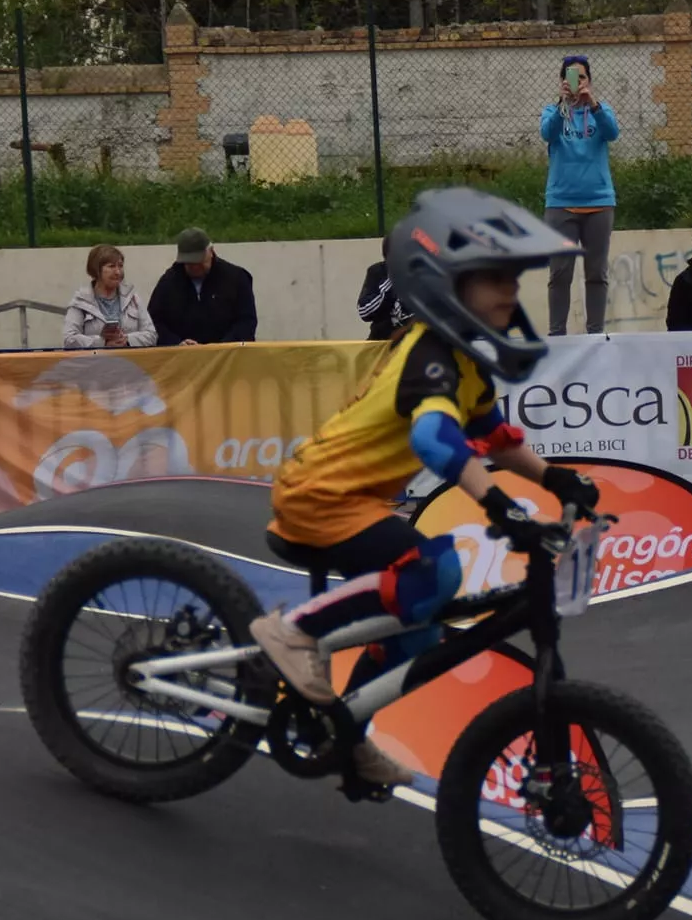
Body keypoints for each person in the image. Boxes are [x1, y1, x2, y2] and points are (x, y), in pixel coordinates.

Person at [253, 188, 600, 790]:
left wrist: (555, 478)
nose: (511, 291)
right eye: (495, 278)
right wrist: (498, 505)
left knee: (419, 626)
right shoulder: (429, 353)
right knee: (432, 567)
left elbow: (491, 432)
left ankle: (345, 735)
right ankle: (293, 630)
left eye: (514, 278)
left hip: (356, 500)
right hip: (320, 495)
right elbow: (438, 442)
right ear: (446, 285)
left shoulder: (464, 359)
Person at [540, 54, 619, 336]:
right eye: (571, 77)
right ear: (562, 81)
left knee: (596, 274)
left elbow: (612, 133)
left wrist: (593, 104)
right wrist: (563, 103)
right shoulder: (552, 111)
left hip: (599, 203)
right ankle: (557, 333)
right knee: (560, 274)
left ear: (589, 81)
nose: (577, 83)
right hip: (562, 204)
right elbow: (547, 134)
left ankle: (595, 333)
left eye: (581, 77)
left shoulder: (602, 111)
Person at [148, 227, 258, 345]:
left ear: (211, 251)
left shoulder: (237, 278)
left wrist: (221, 347)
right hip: (182, 357)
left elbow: (247, 321)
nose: (195, 267)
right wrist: (176, 343)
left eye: (199, 262)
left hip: (227, 357)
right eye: (189, 263)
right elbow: (153, 323)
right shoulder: (168, 282)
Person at [62, 245, 157, 349]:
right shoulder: (81, 301)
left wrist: (127, 339)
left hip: (129, 363)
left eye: (120, 266)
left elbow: (152, 335)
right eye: (111, 266)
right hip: (95, 363)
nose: (117, 272)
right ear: (96, 270)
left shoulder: (133, 298)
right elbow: (69, 340)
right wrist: (102, 342)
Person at [357, 259, 412, 340]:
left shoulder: (427, 271)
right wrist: (391, 279)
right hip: (382, 343)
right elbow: (364, 312)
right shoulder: (378, 271)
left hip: (418, 343)